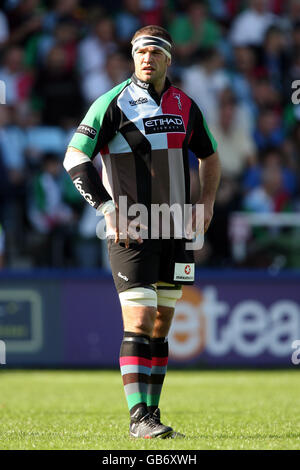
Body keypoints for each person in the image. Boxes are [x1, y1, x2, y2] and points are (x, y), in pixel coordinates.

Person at [64, 25, 221, 439]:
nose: (146, 59)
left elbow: (210, 156)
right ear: (132, 58)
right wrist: (107, 208)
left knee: (160, 327)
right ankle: (138, 418)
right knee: (139, 320)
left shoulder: (185, 105)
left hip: (175, 231)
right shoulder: (112, 103)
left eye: (154, 52)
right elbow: (74, 158)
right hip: (130, 231)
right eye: (139, 52)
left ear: (169, 59)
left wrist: (205, 203)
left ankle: (151, 415)